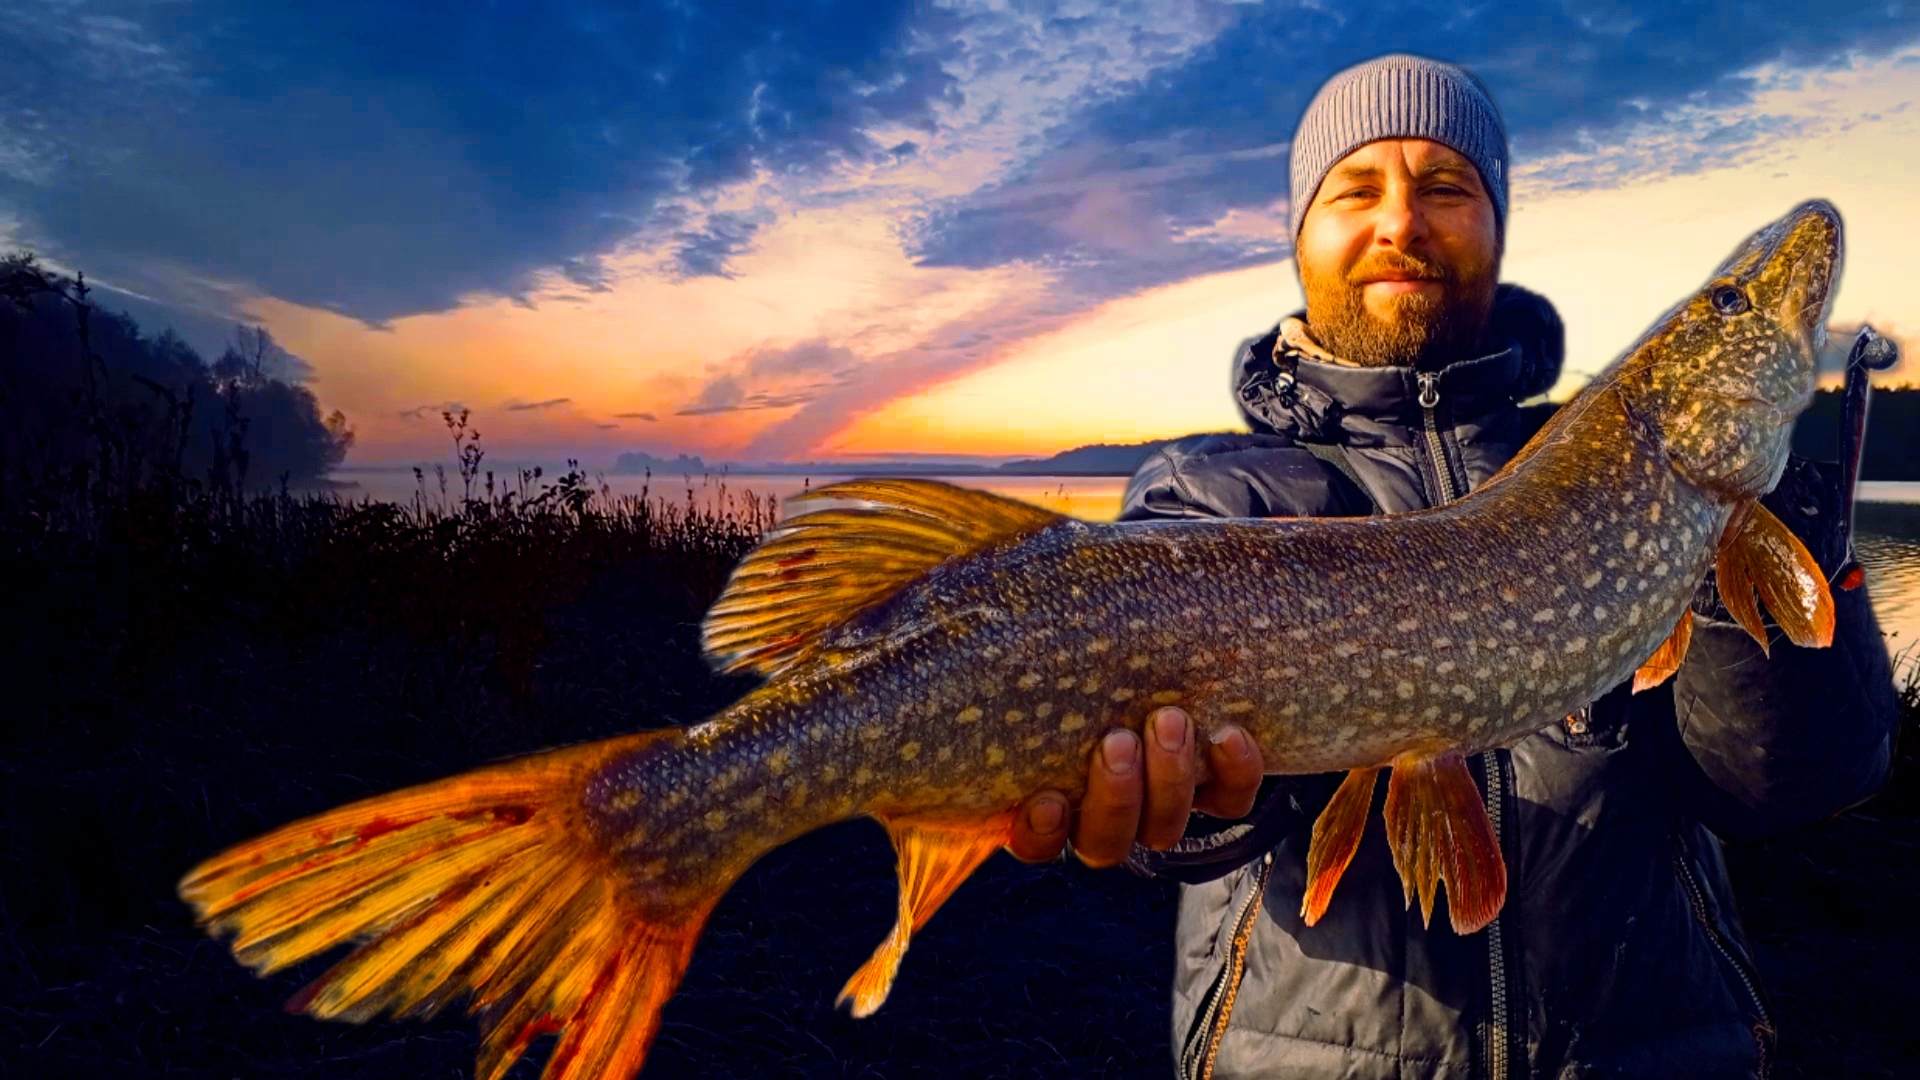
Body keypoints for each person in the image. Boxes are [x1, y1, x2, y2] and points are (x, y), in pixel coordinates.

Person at [1006, 54, 1900, 1080]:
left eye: (1446, 186)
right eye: (1356, 189)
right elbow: (1179, 829)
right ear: (1302, 233)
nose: (1402, 222)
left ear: (1494, 225)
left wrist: (1753, 515)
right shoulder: (1210, 496)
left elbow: (1788, 785)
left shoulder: (1606, 474)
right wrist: (1195, 796)